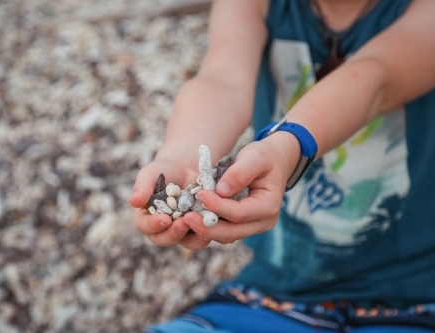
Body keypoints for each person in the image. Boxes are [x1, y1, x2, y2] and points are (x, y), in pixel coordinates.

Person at [129, 0, 435, 332]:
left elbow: (376, 77)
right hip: (276, 295)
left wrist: (288, 145)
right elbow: (222, 78)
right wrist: (180, 156)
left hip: (415, 299)